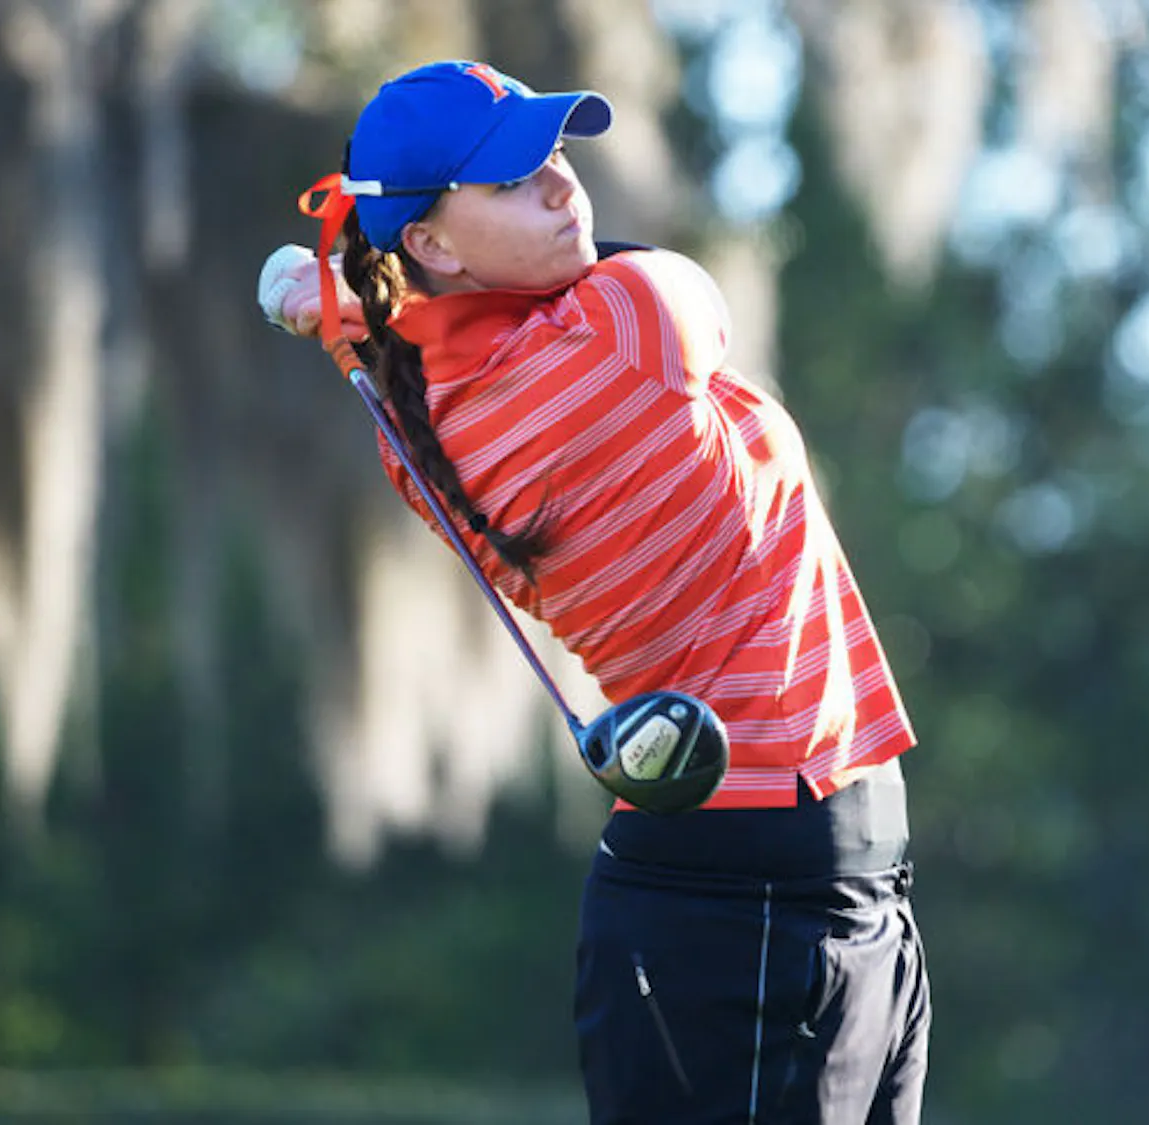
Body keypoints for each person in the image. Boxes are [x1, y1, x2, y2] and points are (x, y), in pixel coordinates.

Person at [264, 59, 930, 1124]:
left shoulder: (415, 431)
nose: (564, 187)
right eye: (513, 179)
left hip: (790, 879)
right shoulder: (626, 325)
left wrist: (352, 301)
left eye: (557, 157)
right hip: (754, 889)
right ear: (428, 244)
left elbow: (431, 339)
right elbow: (686, 282)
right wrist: (345, 302)